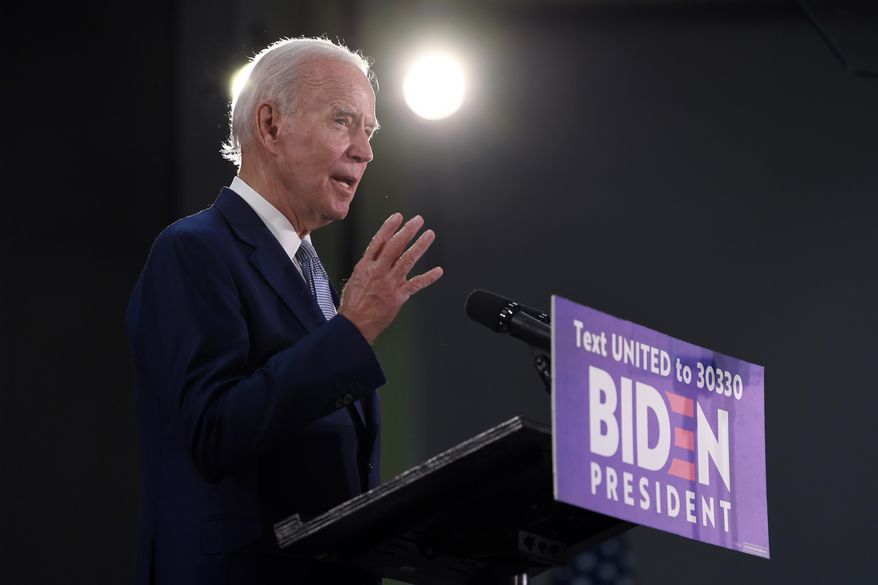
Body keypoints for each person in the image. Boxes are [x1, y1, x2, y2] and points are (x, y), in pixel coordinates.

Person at [125, 37, 443, 585]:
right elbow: (214, 430)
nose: (365, 151)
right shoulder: (194, 251)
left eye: (370, 130)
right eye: (344, 121)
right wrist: (351, 331)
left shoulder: (310, 271)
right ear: (271, 126)